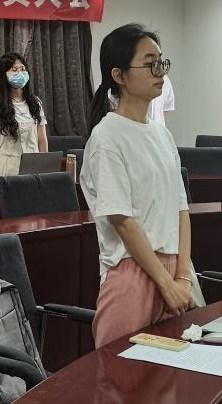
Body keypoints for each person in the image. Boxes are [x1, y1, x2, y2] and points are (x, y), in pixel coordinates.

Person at [81, 24, 194, 347]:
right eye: (150, 64)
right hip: (133, 271)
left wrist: (182, 277)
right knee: (122, 374)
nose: (161, 72)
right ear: (119, 75)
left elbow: (181, 209)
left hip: (174, 272)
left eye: (162, 63)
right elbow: (123, 221)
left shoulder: (162, 134)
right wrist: (166, 283)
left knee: (173, 373)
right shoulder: (107, 136)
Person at [0, 52, 49, 183]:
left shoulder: (36, 103)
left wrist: (46, 170)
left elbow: (42, 139)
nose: (20, 73)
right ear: (4, 75)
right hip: (8, 170)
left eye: (23, 69)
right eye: (14, 70)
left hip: (34, 170)